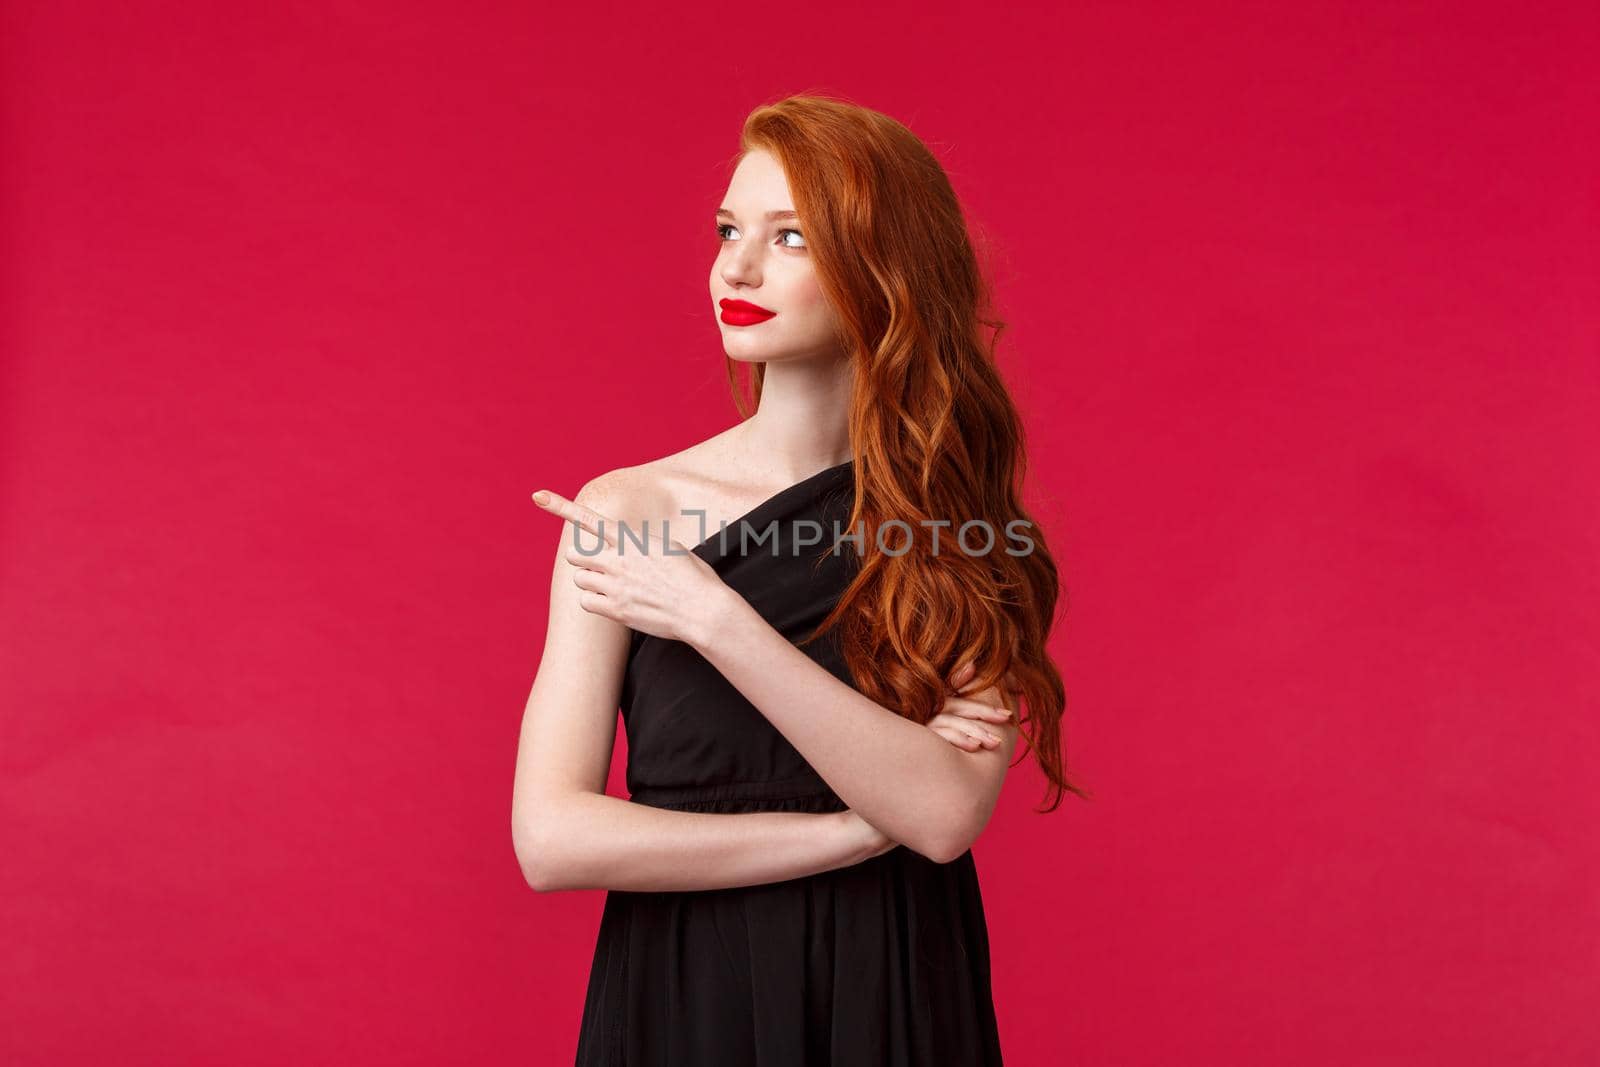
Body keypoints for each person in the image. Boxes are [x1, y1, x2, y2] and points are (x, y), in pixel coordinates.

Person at [514, 92, 1086, 1067]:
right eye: (729, 229)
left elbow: (945, 817)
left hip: (892, 982)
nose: (734, 266)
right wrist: (845, 834)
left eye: (788, 238)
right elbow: (552, 836)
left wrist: (711, 615)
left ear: (881, 268)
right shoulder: (627, 510)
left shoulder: (969, 530)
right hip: (685, 986)